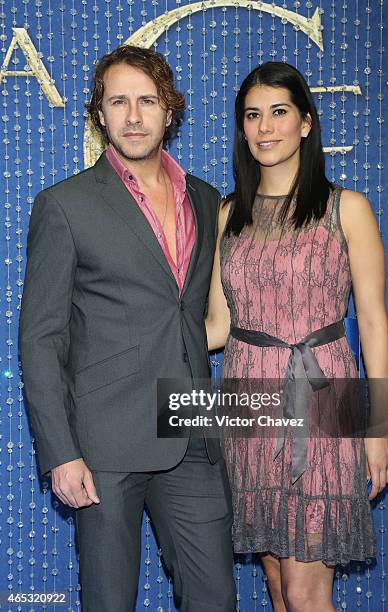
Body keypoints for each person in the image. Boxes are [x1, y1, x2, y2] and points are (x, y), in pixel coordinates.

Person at [19, 44, 236, 612]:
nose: (134, 116)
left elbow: (196, 317)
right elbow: (41, 340)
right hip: (102, 444)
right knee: (110, 603)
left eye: (147, 101)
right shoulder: (64, 206)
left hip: (191, 434)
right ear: (99, 114)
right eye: (119, 102)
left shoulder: (206, 199)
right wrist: (60, 452)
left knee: (216, 600)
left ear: (170, 110)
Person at [206, 61, 388, 612]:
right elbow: (217, 326)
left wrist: (376, 430)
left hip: (325, 404)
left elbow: (374, 324)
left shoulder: (347, 209)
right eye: (252, 115)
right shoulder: (227, 215)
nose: (265, 128)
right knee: (279, 589)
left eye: (279, 113)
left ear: (306, 123)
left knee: (308, 595)